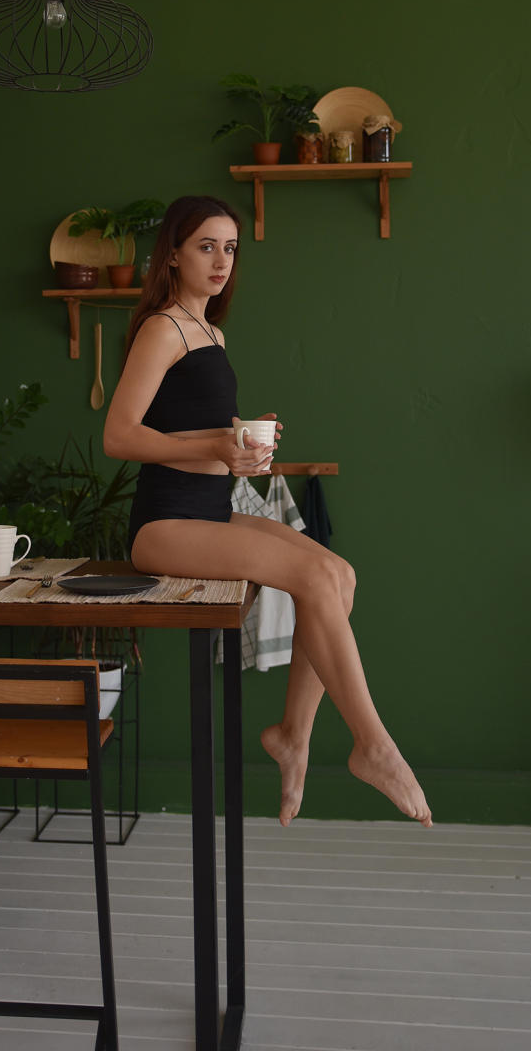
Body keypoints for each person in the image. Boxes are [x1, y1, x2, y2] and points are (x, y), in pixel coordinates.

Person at [103, 194, 432, 829]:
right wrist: (214, 446)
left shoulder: (210, 332)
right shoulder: (163, 327)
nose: (221, 261)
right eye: (206, 246)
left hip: (209, 510)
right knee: (313, 577)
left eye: (230, 248)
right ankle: (373, 745)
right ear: (172, 255)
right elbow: (119, 436)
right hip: (165, 525)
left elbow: (194, 429)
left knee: (338, 574)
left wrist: (242, 444)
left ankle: (292, 736)